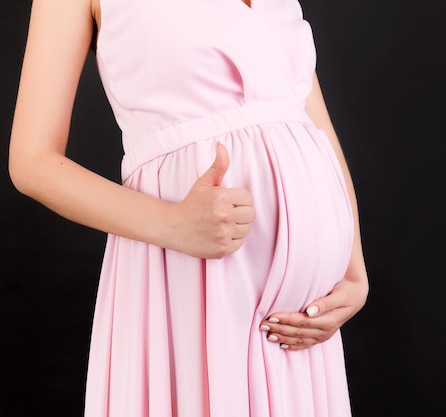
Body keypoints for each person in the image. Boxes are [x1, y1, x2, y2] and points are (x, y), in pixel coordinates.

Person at [8, 0, 369, 416]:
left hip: (304, 326)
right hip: (189, 277)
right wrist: (174, 224)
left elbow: (310, 121)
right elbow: (30, 161)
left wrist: (351, 270)